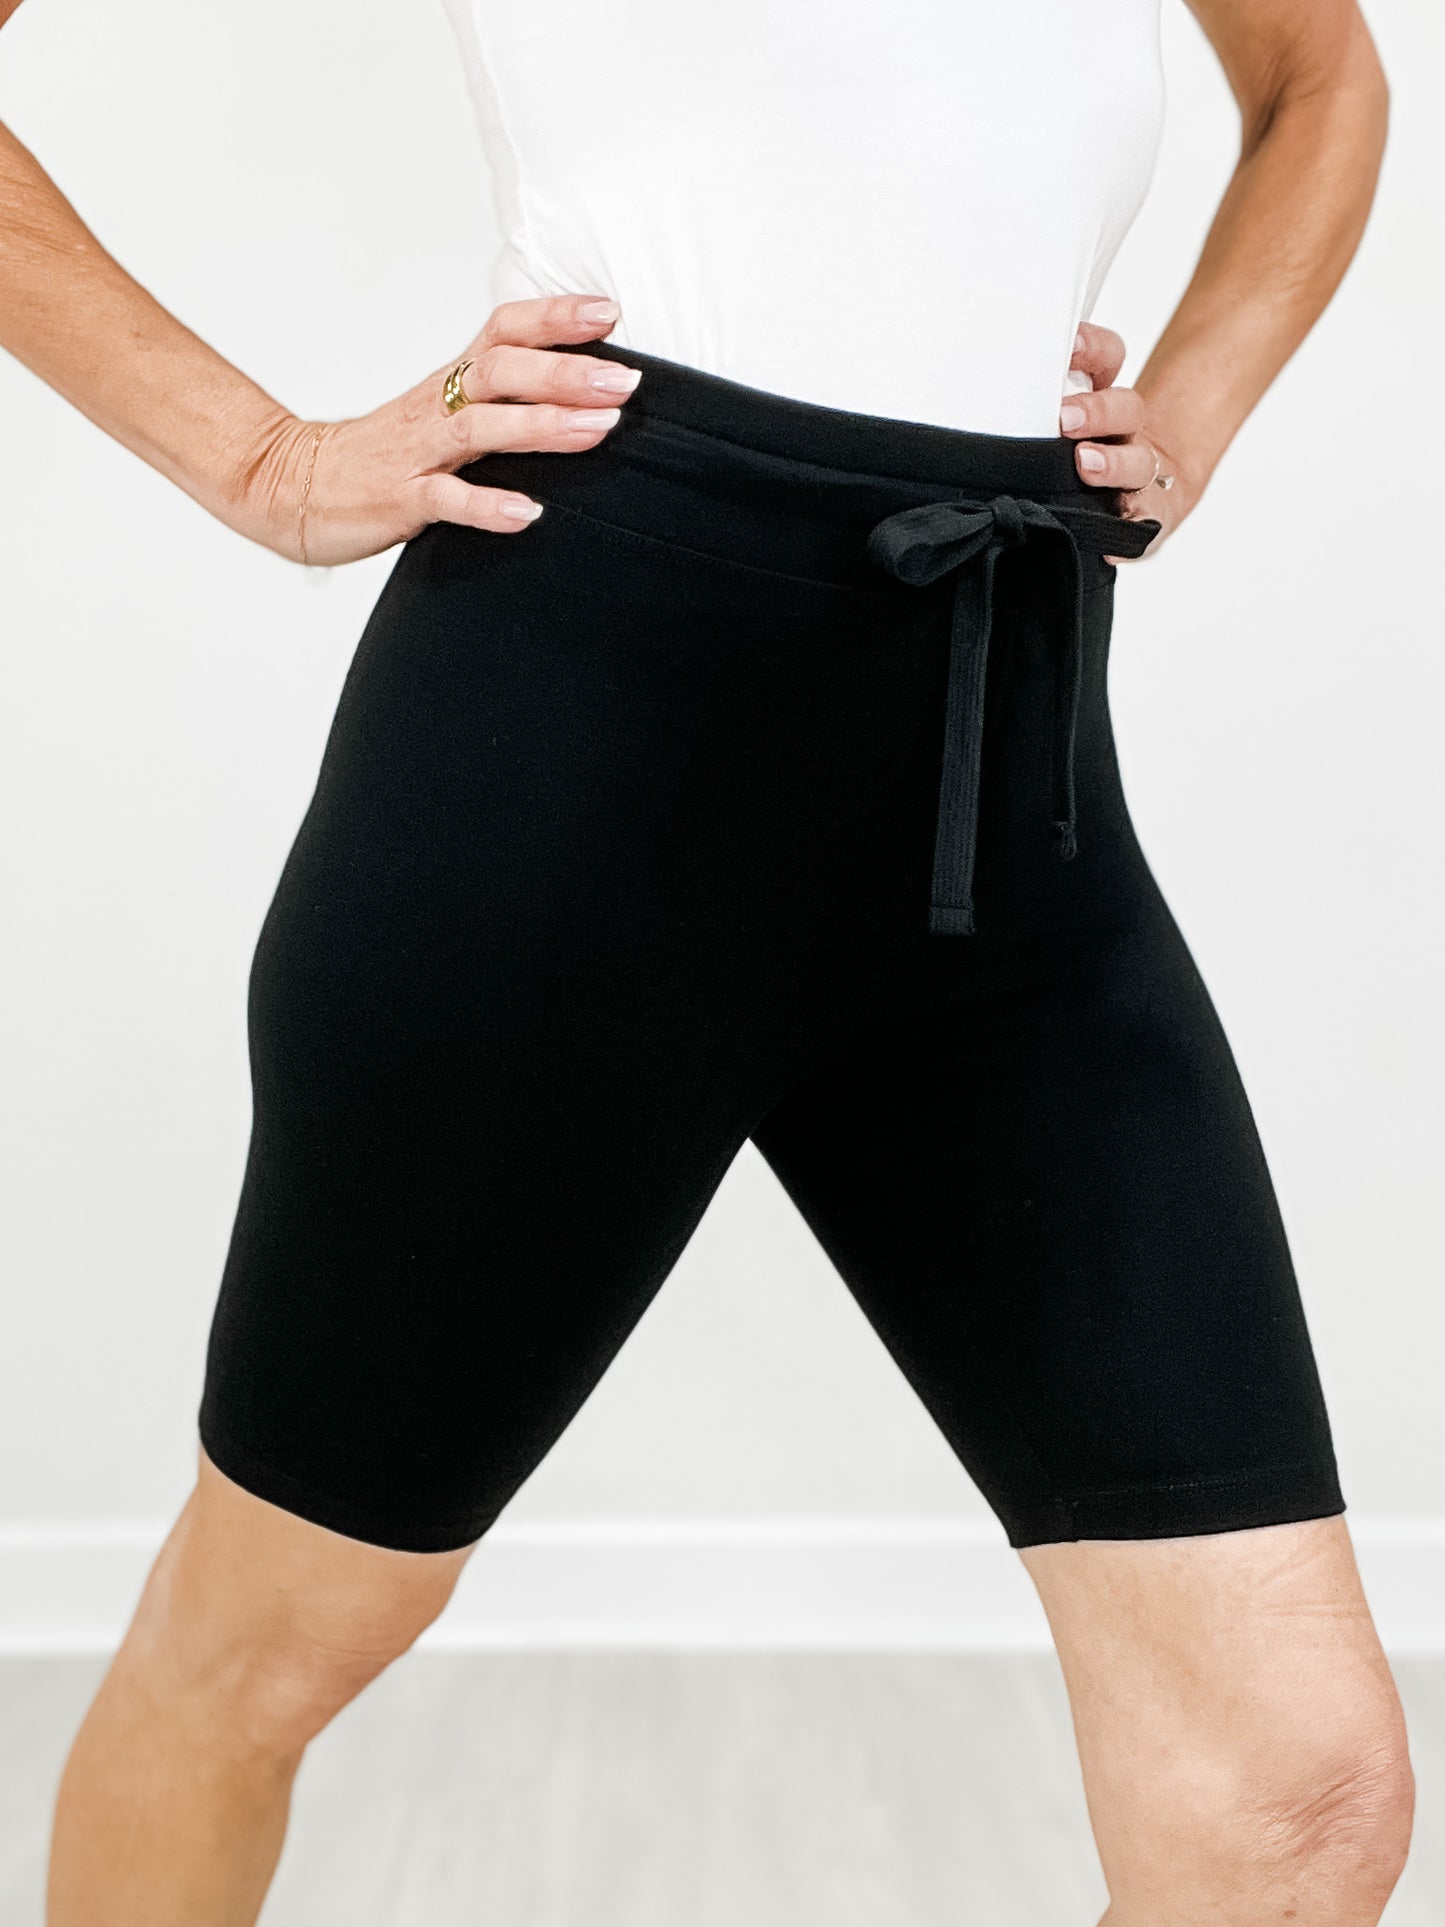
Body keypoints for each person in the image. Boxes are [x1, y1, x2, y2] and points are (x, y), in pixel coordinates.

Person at [0, 0, 1406, 1921]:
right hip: (560, 799)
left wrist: (1198, 404)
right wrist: (261, 457)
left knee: (1297, 1803)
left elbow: (1318, 74)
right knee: (259, 1652)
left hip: (1007, 806)